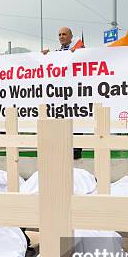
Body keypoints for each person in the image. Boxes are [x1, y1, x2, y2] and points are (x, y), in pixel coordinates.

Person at [42, 28, 85, 159]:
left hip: (75, 93)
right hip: (60, 95)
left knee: (76, 121)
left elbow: (85, 52)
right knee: (60, 122)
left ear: (71, 36)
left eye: (64, 34)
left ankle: (76, 151)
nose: (61, 36)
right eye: (59, 34)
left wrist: (78, 52)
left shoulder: (78, 49)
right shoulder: (57, 53)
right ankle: (60, 149)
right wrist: (46, 56)